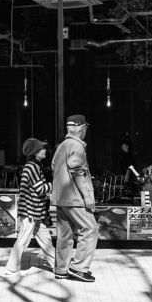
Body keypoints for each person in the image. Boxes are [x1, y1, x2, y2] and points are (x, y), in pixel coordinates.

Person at [51, 114, 98, 283]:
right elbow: (78, 171)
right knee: (91, 228)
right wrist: (87, 196)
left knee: (65, 234)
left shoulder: (61, 146)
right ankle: (79, 268)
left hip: (60, 197)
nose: (85, 131)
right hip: (74, 198)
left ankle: (61, 270)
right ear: (79, 128)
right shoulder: (77, 146)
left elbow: (54, 167)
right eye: (84, 128)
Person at [4, 137, 53, 279]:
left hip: (34, 211)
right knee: (23, 240)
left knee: (46, 240)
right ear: (35, 152)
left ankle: (58, 266)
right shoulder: (32, 167)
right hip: (31, 211)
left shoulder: (33, 166)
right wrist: (53, 184)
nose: (45, 150)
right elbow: (40, 189)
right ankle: (11, 268)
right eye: (42, 148)